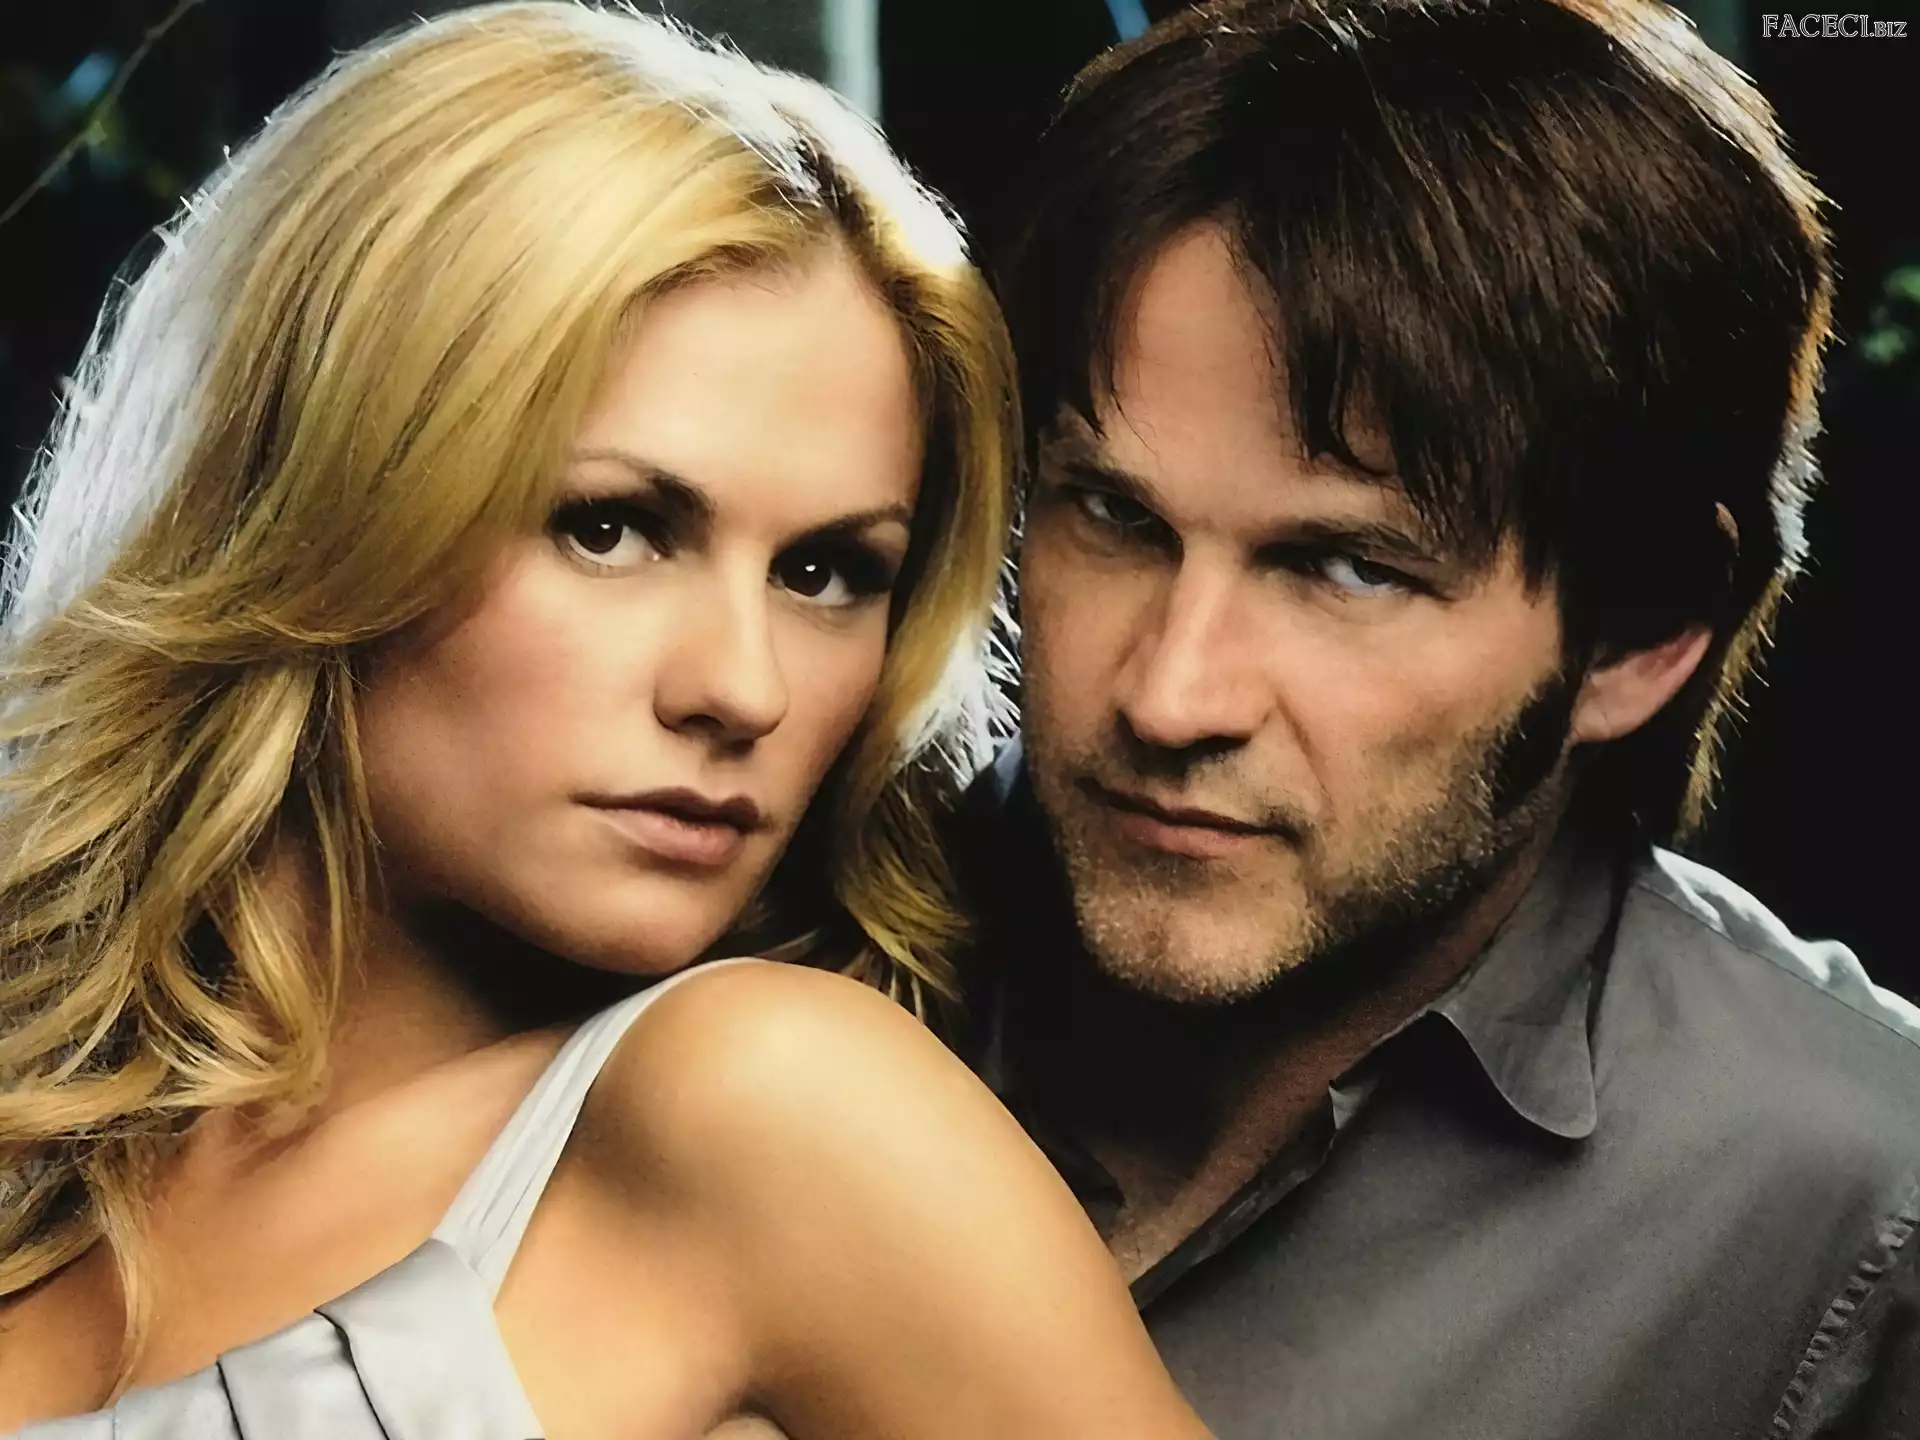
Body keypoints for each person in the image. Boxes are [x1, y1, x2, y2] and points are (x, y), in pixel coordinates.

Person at [0, 6, 1208, 1437]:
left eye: (827, 573)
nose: (743, 689)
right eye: (613, 527)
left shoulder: (777, 1116)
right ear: (325, 497)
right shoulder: (38, 1128)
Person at [950, 1, 1920, 1436]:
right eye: (1111, 514)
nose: (1169, 695)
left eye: (1347, 568)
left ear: (1640, 635)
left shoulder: (1861, 1214)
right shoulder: (788, 916)